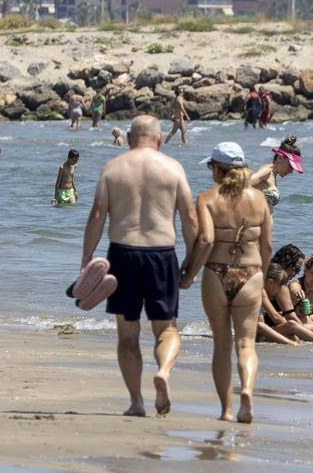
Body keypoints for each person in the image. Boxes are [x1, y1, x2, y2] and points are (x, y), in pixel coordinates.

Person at [81, 115, 198, 418]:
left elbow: (96, 216)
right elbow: (189, 218)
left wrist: (86, 262)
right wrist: (190, 263)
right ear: (159, 139)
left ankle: (136, 402)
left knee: (127, 335)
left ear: (131, 138)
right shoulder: (173, 168)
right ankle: (164, 373)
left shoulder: (113, 168)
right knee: (166, 329)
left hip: (122, 254)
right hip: (161, 255)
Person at [179, 142, 272, 423]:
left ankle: (226, 410)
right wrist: (262, 279)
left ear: (217, 170)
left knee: (221, 345)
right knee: (246, 344)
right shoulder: (259, 199)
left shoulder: (208, 198)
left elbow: (206, 240)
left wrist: (190, 274)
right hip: (251, 273)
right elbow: (267, 245)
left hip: (217, 273)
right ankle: (246, 391)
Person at [258, 263, 313, 346]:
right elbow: (274, 317)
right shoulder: (260, 291)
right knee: (291, 325)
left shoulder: (260, 290)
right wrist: (293, 331)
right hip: (259, 336)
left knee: (298, 327)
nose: (280, 290)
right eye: (280, 286)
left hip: (261, 332)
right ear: (270, 282)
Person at [249, 135, 303, 211]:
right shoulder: (267, 171)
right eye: (290, 166)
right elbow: (241, 186)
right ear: (280, 158)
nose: (291, 171)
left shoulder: (273, 176)